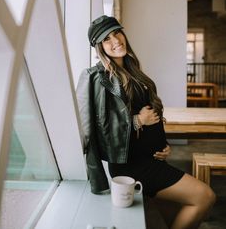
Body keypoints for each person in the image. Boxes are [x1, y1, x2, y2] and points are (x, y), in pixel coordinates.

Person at [76, 15, 216, 229]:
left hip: (151, 158)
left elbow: (153, 115)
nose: (115, 41)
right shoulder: (99, 78)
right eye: (107, 39)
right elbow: (98, 129)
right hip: (132, 165)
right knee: (204, 196)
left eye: (117, 33)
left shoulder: (132, 69)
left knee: (172, 216)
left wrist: (163, 144)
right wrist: (137, 120)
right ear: (99, 47)